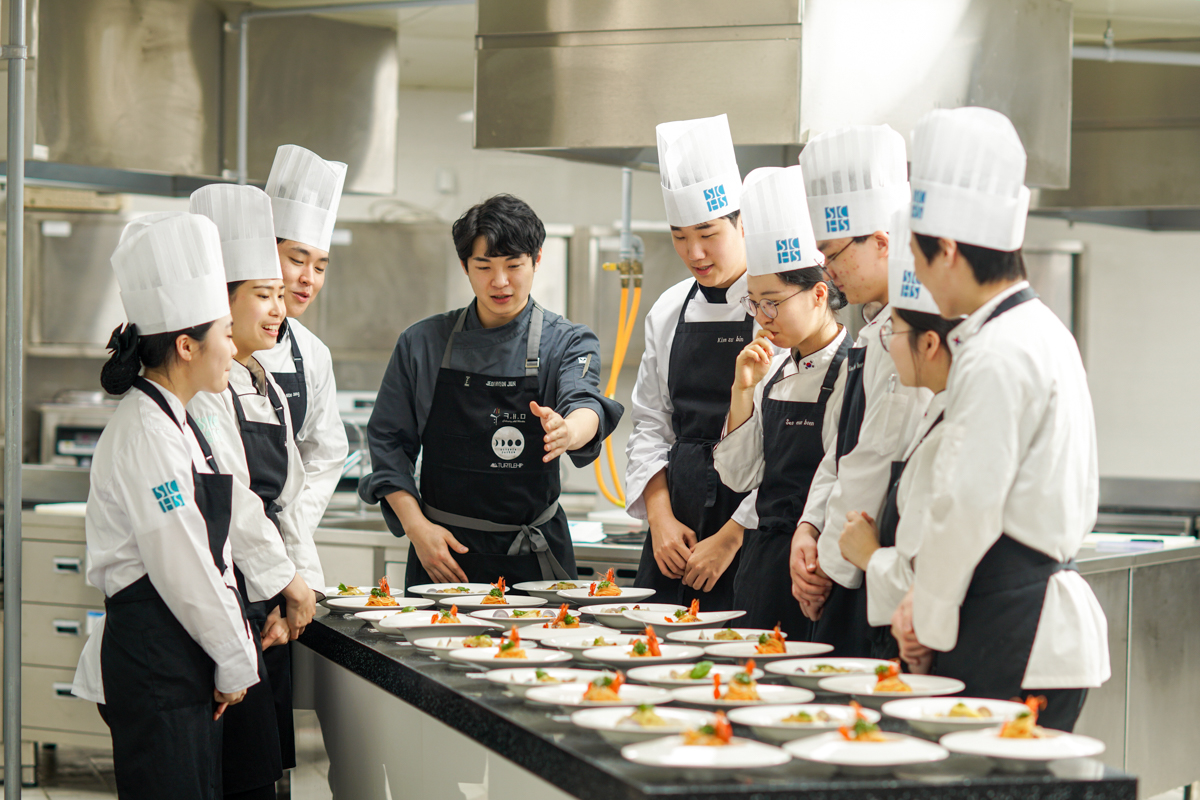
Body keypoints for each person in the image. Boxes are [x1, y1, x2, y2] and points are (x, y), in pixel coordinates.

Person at [890, 107, 1109, 731]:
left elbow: (967, 504)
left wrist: (923, 619)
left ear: (948, 250)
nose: (920, 279)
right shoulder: (1040, 330)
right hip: (1029, 622)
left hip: (1015, 624)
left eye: (918, 257)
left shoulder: (995, 351)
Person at [71, 213, 258, 799]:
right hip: (158, 656)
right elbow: (184, 565)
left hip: (178, 653)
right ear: (185, 345)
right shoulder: (148, 433)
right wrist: (234, 661)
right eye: (225, 333)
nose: (234, 347)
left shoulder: (176, 419)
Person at [359, 194, 623, 586]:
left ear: (536, 260)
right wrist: (417, 529)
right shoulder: (422, 343)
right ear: (465, 266)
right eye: (484, 267)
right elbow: (388, 444)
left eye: (513, 265)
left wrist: (568, 431)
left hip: (534, 562)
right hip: (442, 556)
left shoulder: (567, 341)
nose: (500, 282)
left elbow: (585, 403)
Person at [188, 183, 324, 800]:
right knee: (233, 773)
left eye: (278, 295)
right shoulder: (205, 386)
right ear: (222, 301)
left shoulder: (262, 378)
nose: (279, 309)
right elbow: (235, 501)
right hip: (230, 591)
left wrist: (300, 586)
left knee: (262, 771)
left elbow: (289, 496)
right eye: (264, 295)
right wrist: (284, 583)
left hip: (266, 598)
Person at [790, 125, 931, 656]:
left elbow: (873, 461)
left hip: (873, 561)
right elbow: (839, 452)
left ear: (882, 242)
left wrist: (824, 567)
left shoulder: (907, 338)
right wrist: (809, 527)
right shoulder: (873, 331)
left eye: (833, 254)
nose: (827, 270)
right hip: (847, 553)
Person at [627, 114, 765, 610]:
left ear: (741, 224)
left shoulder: (777, 309)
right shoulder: (669, 309)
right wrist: (660, 517)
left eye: (707, 233)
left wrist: (730, 536)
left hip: (750, 529)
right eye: (679, 236)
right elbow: (650, 424)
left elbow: (792, 449)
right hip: (674, 532)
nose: (695, 252)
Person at [713, 165, 849, 639]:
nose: (763, 317)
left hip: (819, 561)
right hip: (763, 560)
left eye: (772, 302)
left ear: (818, 294)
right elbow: (738, 476)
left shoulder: (854, 369)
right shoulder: (770, 370)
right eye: (754, 303)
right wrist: (742, 392)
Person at [836, 208, 957, 658]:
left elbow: (926, 573)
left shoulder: (949, 436)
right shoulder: (936, 417)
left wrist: (866, 554)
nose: (887, 343)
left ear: (929, 343)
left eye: (895, 331)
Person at [256, 144, 350, 563]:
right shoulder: (218, 348)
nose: (308, 279)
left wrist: (290, 530)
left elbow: (326, 454)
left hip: (287, 548)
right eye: (297, 259)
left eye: (321, 266)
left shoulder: (312, 353)